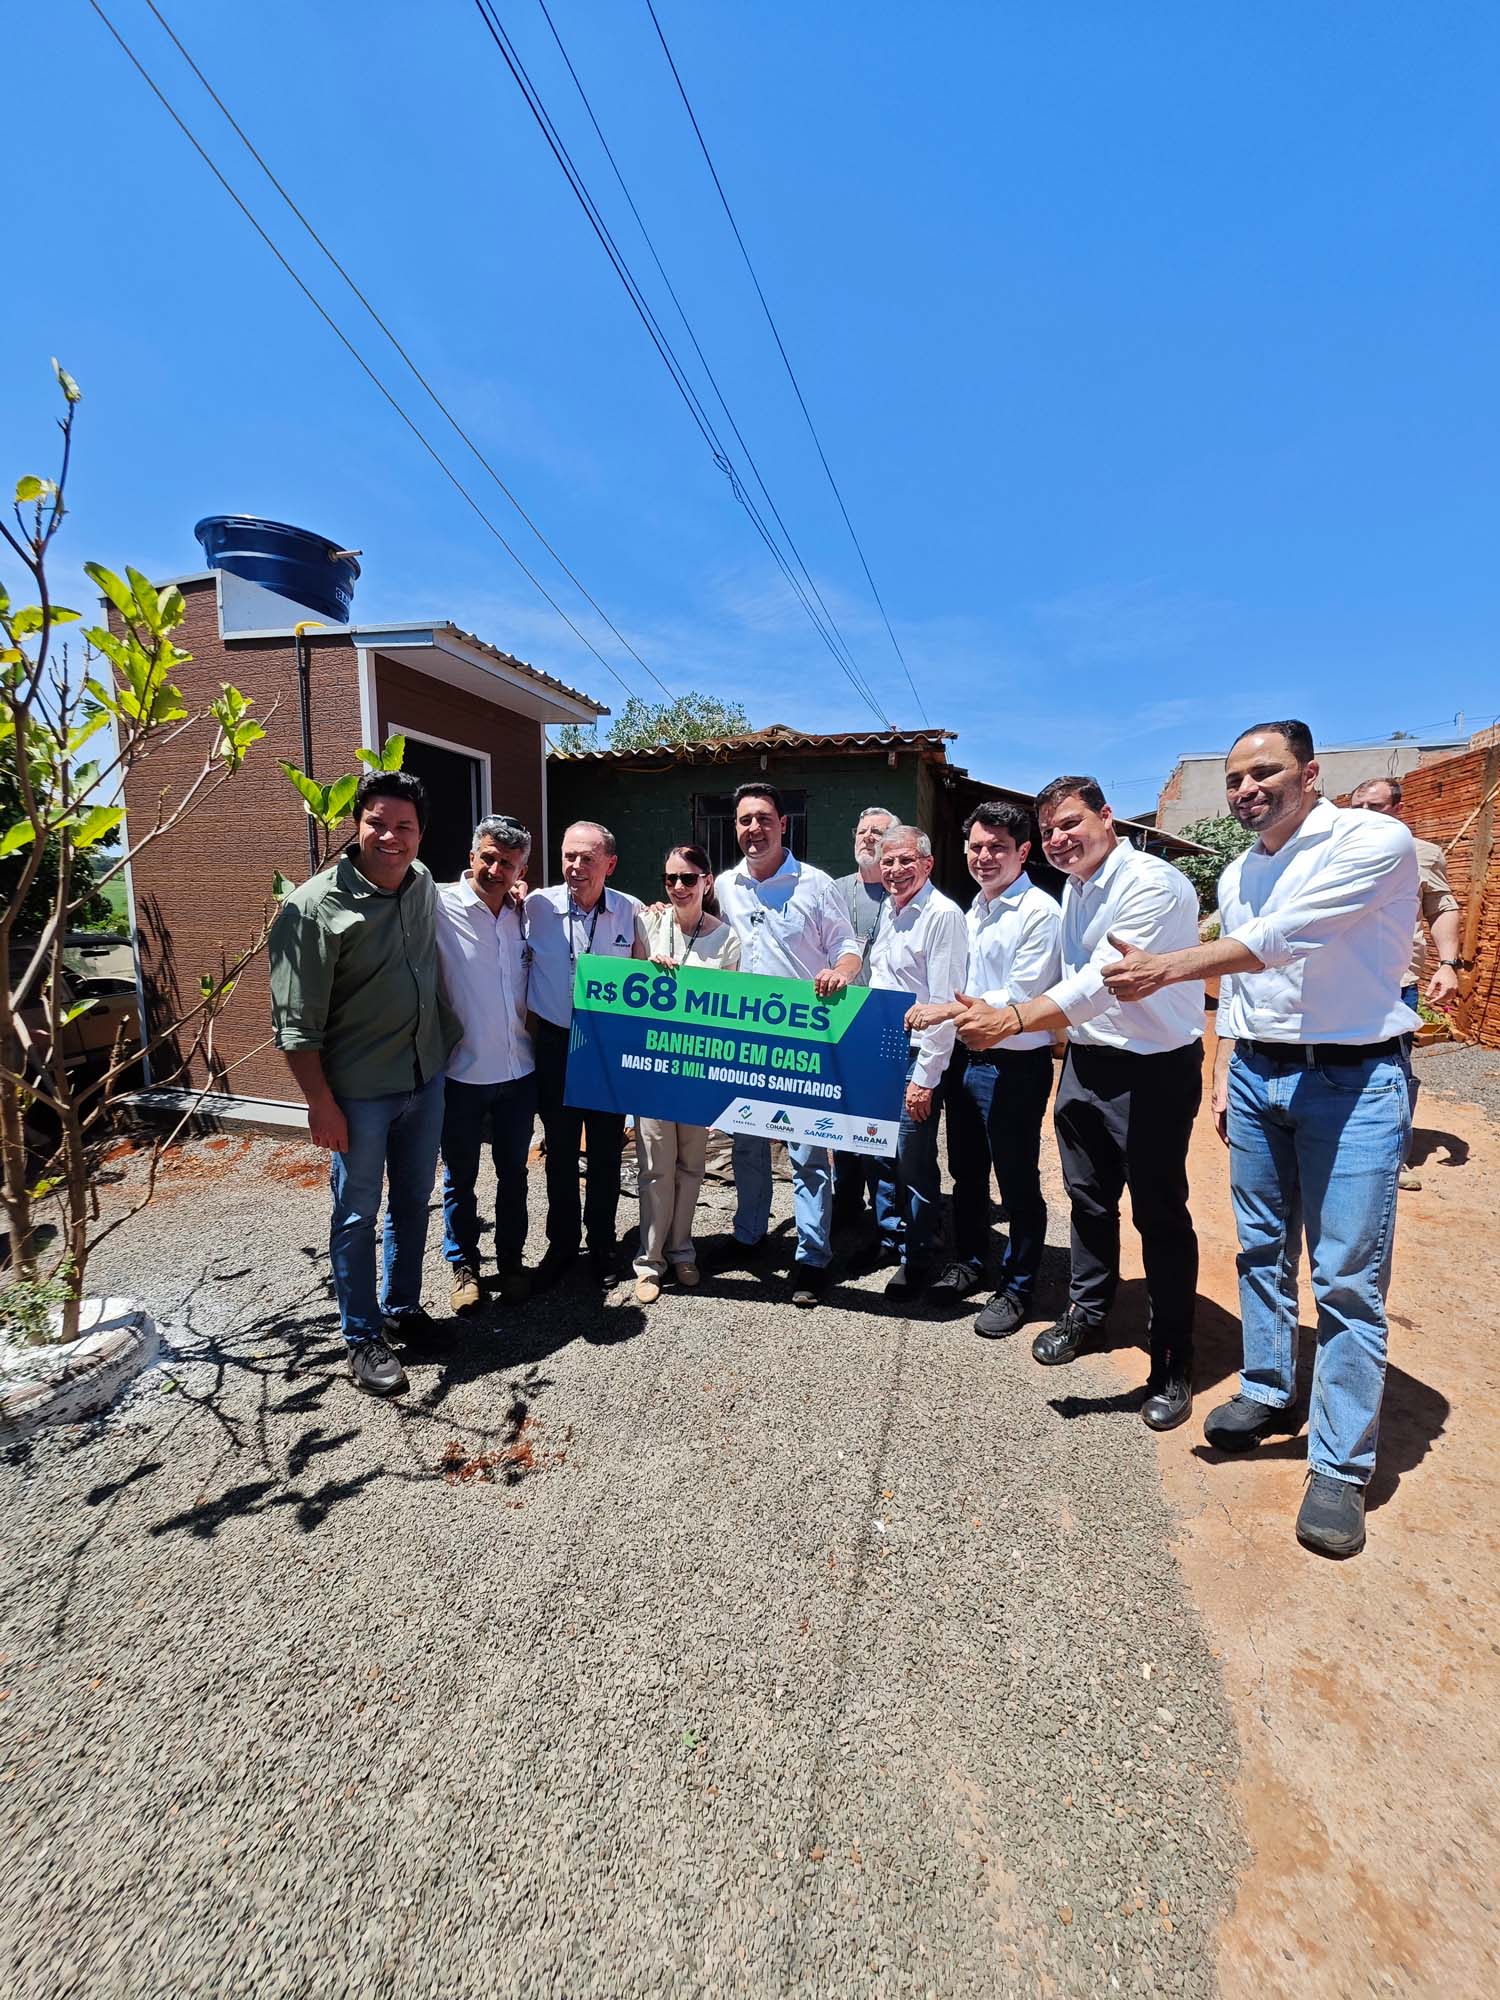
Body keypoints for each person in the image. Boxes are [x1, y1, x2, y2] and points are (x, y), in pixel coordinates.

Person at [1102, 721, 1419, 1558]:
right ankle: (1272, 1385)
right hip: (1258, 1075)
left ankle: (1340, 1466)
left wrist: (1171, 965)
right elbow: (1247, 988)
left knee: (1347, 1276)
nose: (1246, 789)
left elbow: (1290, 936)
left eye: (1264, 772)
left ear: (1310, 773)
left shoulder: (1375, 839)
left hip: (1352, 1082)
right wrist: (1223, 1075)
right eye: (1236, 777)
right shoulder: (1241, 870)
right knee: (1262, 1247)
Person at [951, 776, 1204, 1432]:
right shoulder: (1075, 890)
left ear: (1107, 817)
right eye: (1053, 831)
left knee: (1159, 1213)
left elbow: (1102, 982)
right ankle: (1087, 1315)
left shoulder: (1152, 883)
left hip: (1153, 1071)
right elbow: (1072, 985)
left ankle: (1172, 1360)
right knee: (1088, 1201)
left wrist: (1014, 1019)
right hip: (1088, 1066)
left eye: (1072, 824)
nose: (1062, 840)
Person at [269, 770, 460, 1397]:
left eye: (404, 826)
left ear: (420, 834)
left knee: (411, 1202)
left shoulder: (424, 882)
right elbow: (296, 1025)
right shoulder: (312, 907)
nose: (390, 836)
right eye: (378, 822)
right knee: (356, 1213)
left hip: (421, 1076)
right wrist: (319, 1104)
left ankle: (402, 1307)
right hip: (358, 1093)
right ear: (357, 824)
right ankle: (361, 1336)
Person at [907, 799, 1062, 1330]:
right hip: (966, 1062)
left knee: (1016, 1179)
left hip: (1014, 1066)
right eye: (976, 846)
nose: (984, 856)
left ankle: (1018, 1288)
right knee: (967, 1172)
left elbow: (1016, 996)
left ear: (1024, 851)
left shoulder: (1041, 912)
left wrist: (944, 1010)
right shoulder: (973, 909)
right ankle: (971, 1262)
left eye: (997, 847)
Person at [714, 783, 861, 1307]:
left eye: (764, 819)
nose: (754, 829)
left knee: (807, 1152)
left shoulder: (816, 885)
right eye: (745, 820)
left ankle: (811, 1258)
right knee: (747, 1145)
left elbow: (848, 947)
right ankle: (749, 1235)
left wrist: (841, 972)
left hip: (803, 1040)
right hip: (744, 1040)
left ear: (783, 825)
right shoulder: (726, 885)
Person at [525, 820, 648, 1289]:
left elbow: (652, 968)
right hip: (556, 1041)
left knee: (603, 1151)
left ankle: (601, 1244)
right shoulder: (534, 906)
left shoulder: (631, 911)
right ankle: (561, 1244)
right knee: (558, 1150)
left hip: (606, 1048)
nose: (575, 867)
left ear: (610, 864)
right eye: (568, 856)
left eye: (587, 859)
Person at [434, 815, 536, 1317]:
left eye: (508, 863)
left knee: (513, 1175)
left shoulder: (524, 916)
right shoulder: (438, 905)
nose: (496, 870)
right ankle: (464, 1266)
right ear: (473, 855)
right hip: (461, 1075)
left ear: (521, 870)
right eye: (489, 857)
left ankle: (512, 1262)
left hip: (519, 1074)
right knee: (460, 1179)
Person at [632, 843, 742, 1304]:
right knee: (654, 1167)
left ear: (707, 881)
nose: (679, 886)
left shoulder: (727, 940)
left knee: (692, 1166)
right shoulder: (647, 923)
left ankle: (682, 1249)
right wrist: (647, 966)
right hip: (654, 1067)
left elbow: (732, 1008)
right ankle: (649, 1260)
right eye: (671, 879)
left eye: (688, 878)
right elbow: (626, 987)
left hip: (699, 1070)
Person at [865, 826, 967, 1300]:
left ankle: (920, 1255)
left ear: (927, 864)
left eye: (906, 861)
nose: (895, 870)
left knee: (914, 1160)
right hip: (882, 1049)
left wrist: (924, 1079)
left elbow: (945, 1004)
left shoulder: (942, 915)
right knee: (880, 1152)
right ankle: (891, 1238)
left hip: (916, 1056)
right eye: (888, 862)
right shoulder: (889, 908)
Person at [1349, 774, 1462, 1189]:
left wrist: (1449, 964)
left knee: (1393, 1066)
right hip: (1337, 982)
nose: (1364, 815)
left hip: (1395, 981)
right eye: (1357, 806)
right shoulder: (1331, 850)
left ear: (1397, 809)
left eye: (1374, 807)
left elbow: (1442, 906)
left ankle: (1392, 1157)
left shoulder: (1421, 854)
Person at [831, 806, 897, 1237]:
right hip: (838, 1025)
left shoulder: (903, 893)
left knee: (882, 1130)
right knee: (839, 1124)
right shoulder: (832, 891)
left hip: (885, 1024)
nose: (868, 838)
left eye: (878, 832)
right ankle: (846, 1206)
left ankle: (889, 1219)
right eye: (862, 831)